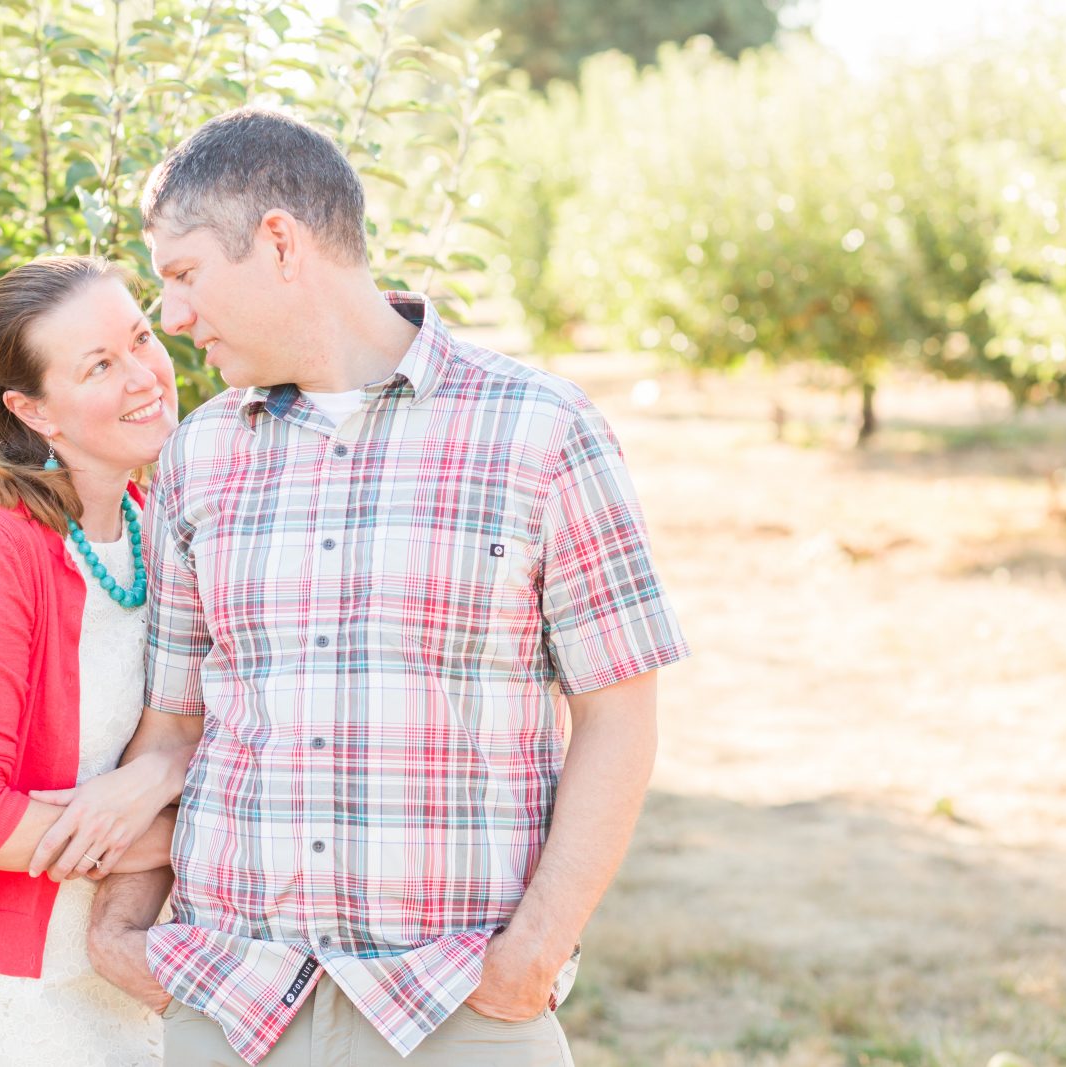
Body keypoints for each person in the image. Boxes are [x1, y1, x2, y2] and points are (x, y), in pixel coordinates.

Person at [85, 109, 692, 1066]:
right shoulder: (199, 455)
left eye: (185, 274)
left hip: (460, 1006)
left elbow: (619, 715)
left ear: (279, 241)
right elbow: (173, 725)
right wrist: (124, 933)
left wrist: (532, 954)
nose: (174, 319)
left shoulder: (541, 432)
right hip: (231, 1005)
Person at [0, 255, 191, 1066]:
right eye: (97, 366)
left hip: (139, 950)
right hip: (14, 979)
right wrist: (179, 836)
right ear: (31, 408)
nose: (143, 376)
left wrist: (154, 784)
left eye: (140, 339)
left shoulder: (155, 523)